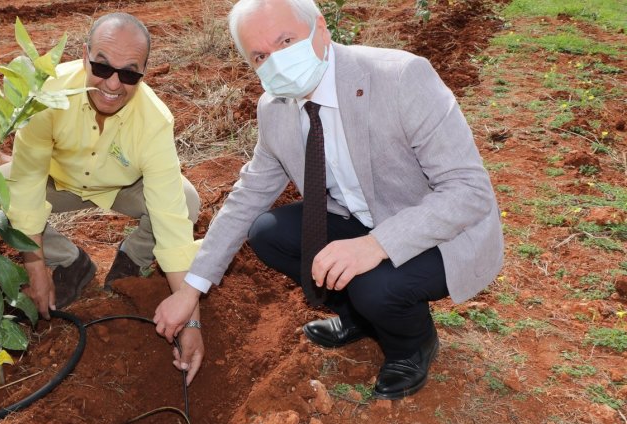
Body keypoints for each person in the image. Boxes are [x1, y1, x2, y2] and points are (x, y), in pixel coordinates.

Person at [154, 0, 503, 399]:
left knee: (375, 284)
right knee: (268, 232)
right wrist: (191, 288)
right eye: (261, 55)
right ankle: (358, 317)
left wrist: (375, 245)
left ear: (321, 29)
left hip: (442, 231)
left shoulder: (400, 77)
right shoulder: (275, 109)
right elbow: (248, 195)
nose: (277, 61)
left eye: (286, 40)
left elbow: (468, 190)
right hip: (360, 217)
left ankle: (413, 345)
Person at [4, 12, 205, 382]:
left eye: (129, 73)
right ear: (85, 56)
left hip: (119, 188)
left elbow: (172, 222)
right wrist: (37, 269)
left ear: (144, 72)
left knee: (186, 200)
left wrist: (189, 317)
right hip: (58, 183)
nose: (113, 84)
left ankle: (131, 259)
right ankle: (71, 262)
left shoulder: (154, 121)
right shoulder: (48, 97)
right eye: (102, 67)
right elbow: (27, 186)